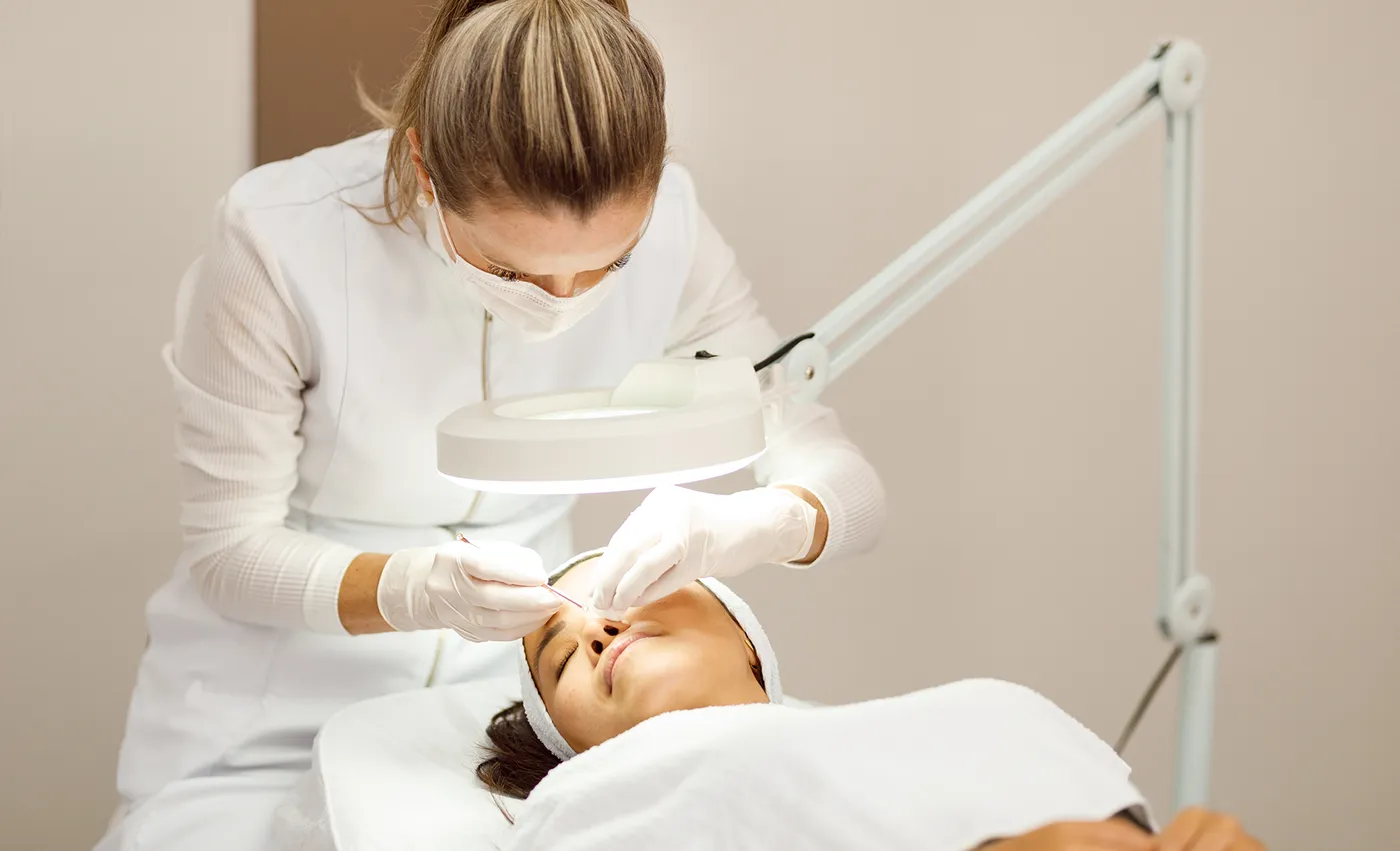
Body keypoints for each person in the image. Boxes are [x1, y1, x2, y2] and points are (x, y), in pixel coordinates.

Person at [97, 1, 884, 849]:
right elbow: (228, 552)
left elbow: (842, 477)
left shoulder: (677, 230)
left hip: (490, 712)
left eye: (606, 266)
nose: (561, 302)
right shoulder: (278, 242)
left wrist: (761, 521)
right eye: (511, 268)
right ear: (425, 167)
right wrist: (413, 590)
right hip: (262, 712)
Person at [477, 554, 1266, 851]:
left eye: (626, 584)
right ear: (574, 744)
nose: (600, 626)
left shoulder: (984, 706)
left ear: (748, 636)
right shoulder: (588, 803)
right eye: (557, 657)